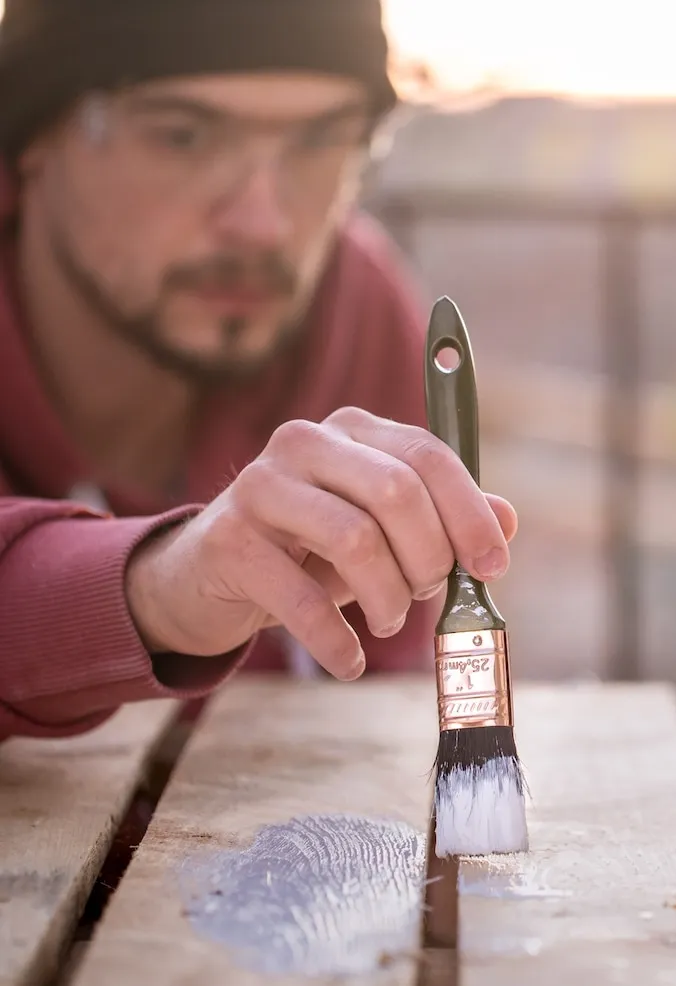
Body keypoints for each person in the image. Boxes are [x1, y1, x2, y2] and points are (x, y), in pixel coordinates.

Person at [0, 0, 517, 741]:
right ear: (33, 138)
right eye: (182, 137)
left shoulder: (354, 307)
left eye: (319, 140)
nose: (262, 223)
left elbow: (382, 719)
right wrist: (157, 589)